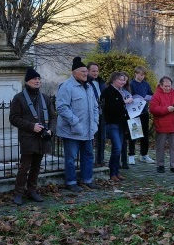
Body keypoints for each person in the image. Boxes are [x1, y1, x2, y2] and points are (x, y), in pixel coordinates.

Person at [9, 68, 57, 206]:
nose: (37, 81)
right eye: (34, 79)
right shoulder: (19, 98)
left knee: (36, 167)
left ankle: (32, 191)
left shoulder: (46, 98)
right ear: (27, 81)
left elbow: (53, 117)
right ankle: (18, 193)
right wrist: (32, 126)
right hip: (28, 137)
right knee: (24, 167)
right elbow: (13, 118)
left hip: (43, 138)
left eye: (38, 79)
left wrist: (51, 131)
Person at [56, 57, 100, 193]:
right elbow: (62, 107)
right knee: (71, 158)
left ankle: (87, 179)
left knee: (88, 156)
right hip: (71, 130)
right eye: (83, 71)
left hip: (88, 130)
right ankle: (71, 181)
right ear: (74, 72)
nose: (86, 74)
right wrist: (75, 122)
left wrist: (95, 122)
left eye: (86, 71)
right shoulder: (67, 86)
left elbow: (94, 107)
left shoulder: (89, 87)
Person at [149, 76, 174, 174]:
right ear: (161, 85)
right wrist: (166, 109)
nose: (168, 88)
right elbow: (153, 109)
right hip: (161, 125)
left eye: (169, 86)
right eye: (166, 86)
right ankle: (160, 165)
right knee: (160, 147)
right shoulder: (156, 95)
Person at [102, 72, 133, 182]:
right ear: (114, 80)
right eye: (121, 80)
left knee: (119, 148)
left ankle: (116, 171)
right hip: (112, 123)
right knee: (117, 148)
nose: (123, 82)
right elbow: (111, 107)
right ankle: (112, 172)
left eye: (124, 80)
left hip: (121, 123)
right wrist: (125, 102)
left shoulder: (121, 91)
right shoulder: (108, 91)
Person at [128, 66, 155, 164]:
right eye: (140, 75)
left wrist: (149, 98)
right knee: (134, 134)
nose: (142, 77)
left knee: (145, 134)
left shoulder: (146, 84)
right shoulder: (131, 84)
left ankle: (144, 154)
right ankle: (131, 155)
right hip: (134, 112)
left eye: (143, 75)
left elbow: (151, 94)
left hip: (144, 111)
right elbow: (129, 97)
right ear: (135, 73)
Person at [86, 62, 106, 167]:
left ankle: (100, 159)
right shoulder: (85, 83)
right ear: (88, 71)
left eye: (97, 71)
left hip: (101, 112)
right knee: (90, 136)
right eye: (93, 71)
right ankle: (90, 159)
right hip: (90, 112)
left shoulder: (101, 82)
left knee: (102, 137)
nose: (95, 73)